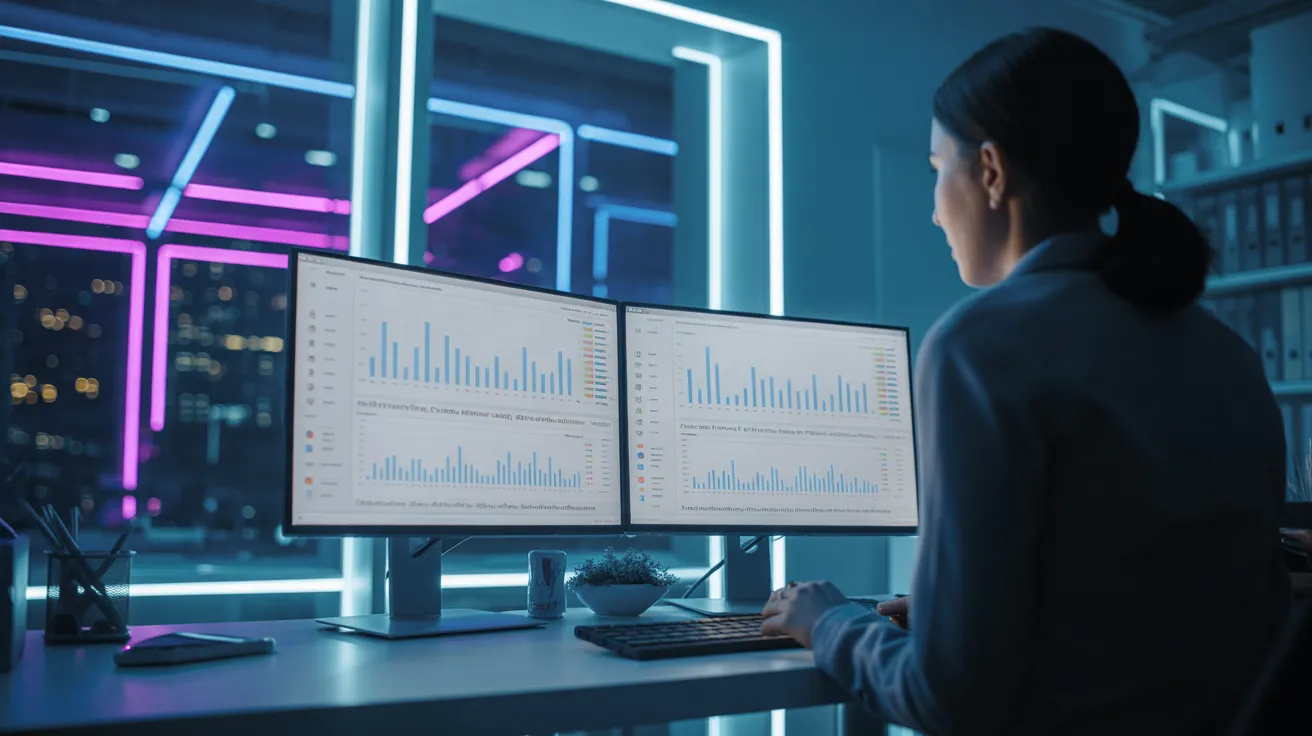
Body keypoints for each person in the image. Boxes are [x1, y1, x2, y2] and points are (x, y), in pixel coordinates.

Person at [760, 27, 1293, 735]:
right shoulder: (1229, 353)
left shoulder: (980, 345)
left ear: (989, 171)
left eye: (934, 170)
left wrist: (829, 622)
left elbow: (947, 701)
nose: (932, 209)